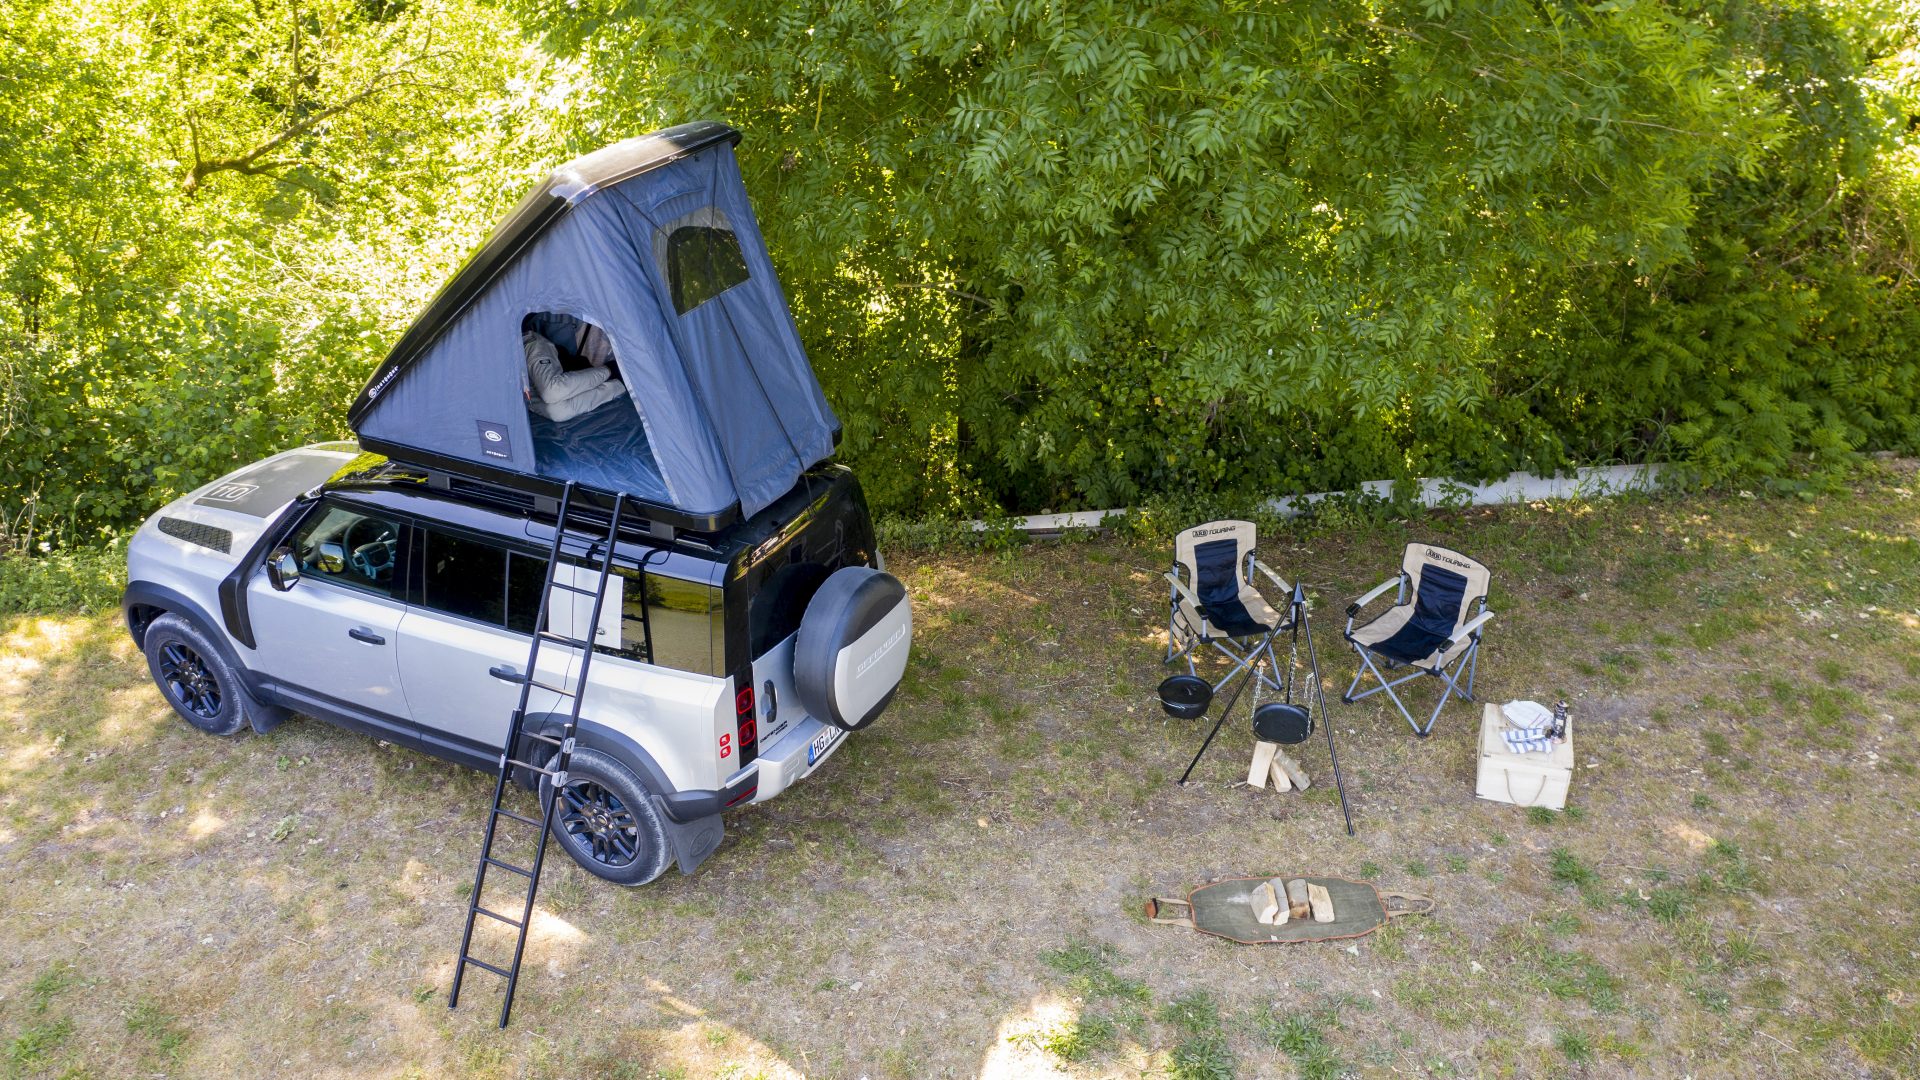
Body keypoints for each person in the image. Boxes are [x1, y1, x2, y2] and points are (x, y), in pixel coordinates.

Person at [524, 327, 627, 422]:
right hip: (521, 385)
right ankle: (618, 385)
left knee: (552, 391)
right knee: (557, 412)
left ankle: (611, 370)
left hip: (525, 346)